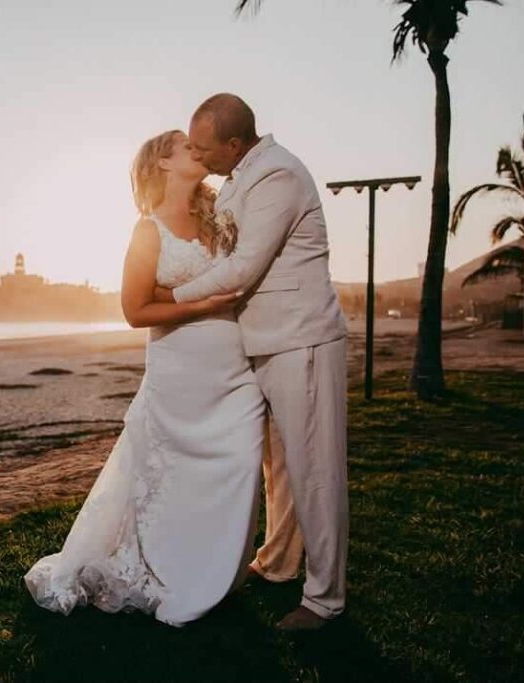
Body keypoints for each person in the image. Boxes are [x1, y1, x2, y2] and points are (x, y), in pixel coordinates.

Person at [23, 129, 267, 626]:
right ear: (162, 162)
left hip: (235, 367)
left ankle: (214, 569)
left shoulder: (221, 218)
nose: (197, 149)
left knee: (240, 462)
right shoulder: (147, 230)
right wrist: (205, 302)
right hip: (178, 371)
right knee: (170, 475)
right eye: (185, 145)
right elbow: (135, 310)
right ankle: (171, 566)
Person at [158, 93, 349, 631]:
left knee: (315, 472)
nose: (198, 155)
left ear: (235, 144)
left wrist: (169, 297)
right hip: (263, 343)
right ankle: (280, 562)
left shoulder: (279, 176)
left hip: (300, 341)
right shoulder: (241, 177)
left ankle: (325, 600)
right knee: (281, 468)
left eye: (204, 147)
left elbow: (243, 268)